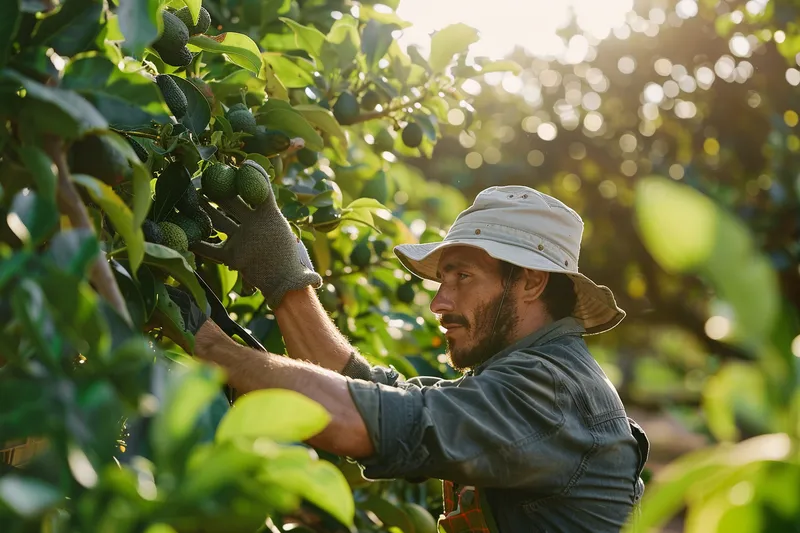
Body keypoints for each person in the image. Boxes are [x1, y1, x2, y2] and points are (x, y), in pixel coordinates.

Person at [185, 163, 650, 533]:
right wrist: (287, 281)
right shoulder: (529, 371)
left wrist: (209, 345)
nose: (438, 302)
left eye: (462, 277)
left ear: (530, 282)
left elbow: (364, 422)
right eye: (442, 278)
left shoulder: (550, 390)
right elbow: (378, 395)